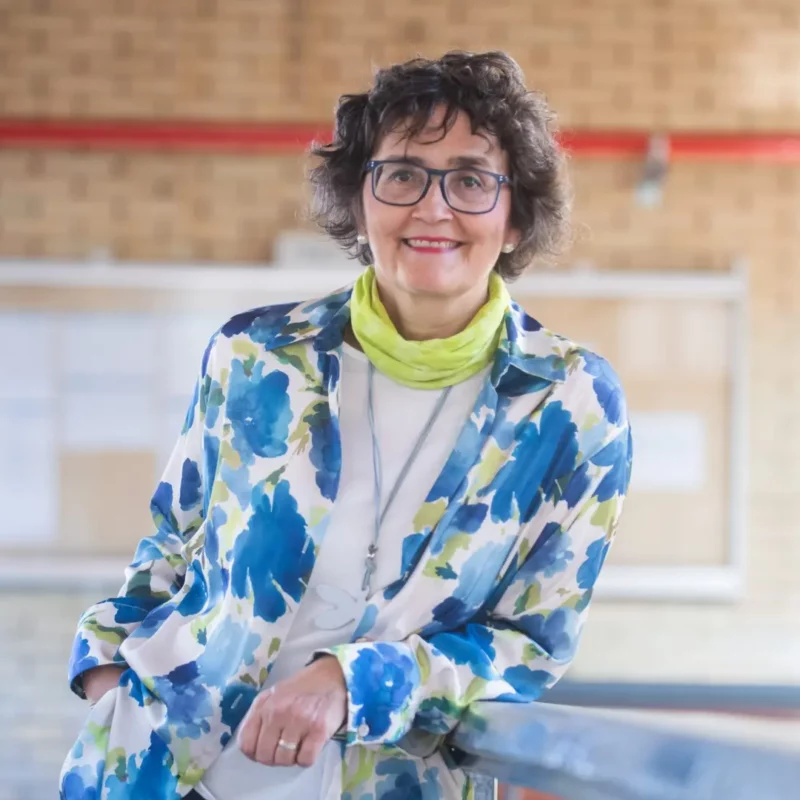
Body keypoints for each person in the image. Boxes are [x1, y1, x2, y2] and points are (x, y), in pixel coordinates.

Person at [60, 50, 632, 800]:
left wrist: (354, 680)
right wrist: (106, 671)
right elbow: (173, 543)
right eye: (402, 174)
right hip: (158, 772)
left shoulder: (570, 401)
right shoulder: (256, 355)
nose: (433, 208)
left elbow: (532, 645)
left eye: (470, 179)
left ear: (516, 218)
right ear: (360, 203)